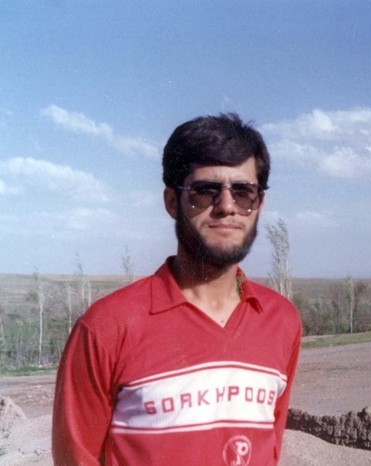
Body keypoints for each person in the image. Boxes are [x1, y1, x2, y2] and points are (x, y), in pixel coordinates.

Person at [52, 113, 302, 465]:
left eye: (243, 192)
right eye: (205, 191)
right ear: (172, 201)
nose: (227, 206)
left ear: (259, 204)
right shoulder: (106, 327)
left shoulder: (281, 320)